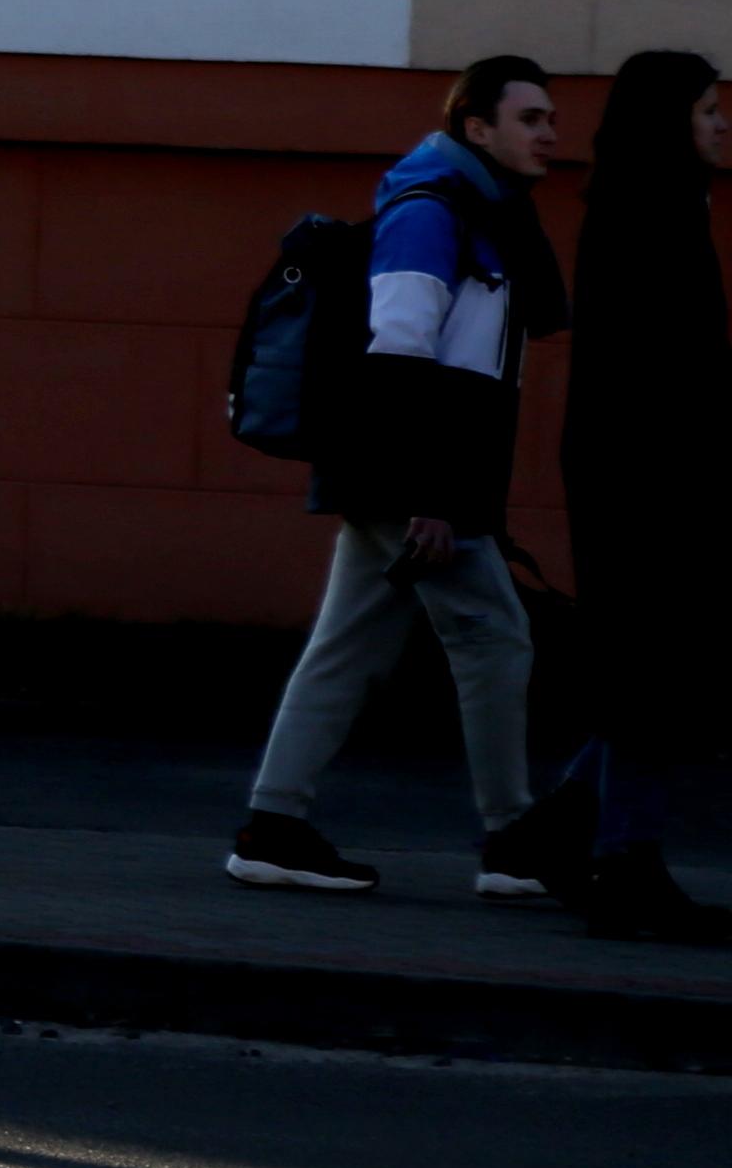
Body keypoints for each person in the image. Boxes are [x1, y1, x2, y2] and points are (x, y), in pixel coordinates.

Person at [229, 57, 568, 898]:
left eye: (550, 117)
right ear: (475, 129)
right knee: (494, 635)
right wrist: (433, 499)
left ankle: (273, 826)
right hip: (409, 479)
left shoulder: (484, 214)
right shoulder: (428, 213)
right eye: (530, 119)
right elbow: (399, 355)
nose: (550, 133)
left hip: (401, 474)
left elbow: (548, 315)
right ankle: (511, 837)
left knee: (348, 646)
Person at [540, 49, 723, 938]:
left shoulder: (654, 202)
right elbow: (667, 362)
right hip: (646, 470)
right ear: (669, 123)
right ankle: (625, 865)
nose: (720, 124)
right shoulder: (650, 212)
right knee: (650, 664)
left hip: (643, 462)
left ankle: (566, 828)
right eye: (706, 110)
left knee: (651, 662)